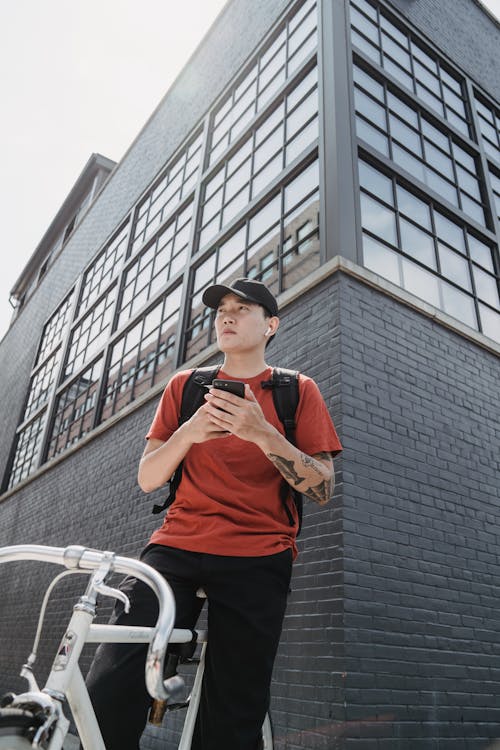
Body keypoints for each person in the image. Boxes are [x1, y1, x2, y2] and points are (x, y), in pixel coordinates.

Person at [85, 277, 342, 750]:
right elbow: (148, 478)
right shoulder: (186, 387)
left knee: (233, 711)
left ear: (271, 325)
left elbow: (323, 487)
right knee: (111, 685)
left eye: (243, 308)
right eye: (222, 308)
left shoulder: (297, 391)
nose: (227, 315)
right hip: (175, 548)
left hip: (259, 553)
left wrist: (262, 433)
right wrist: (188, 433)